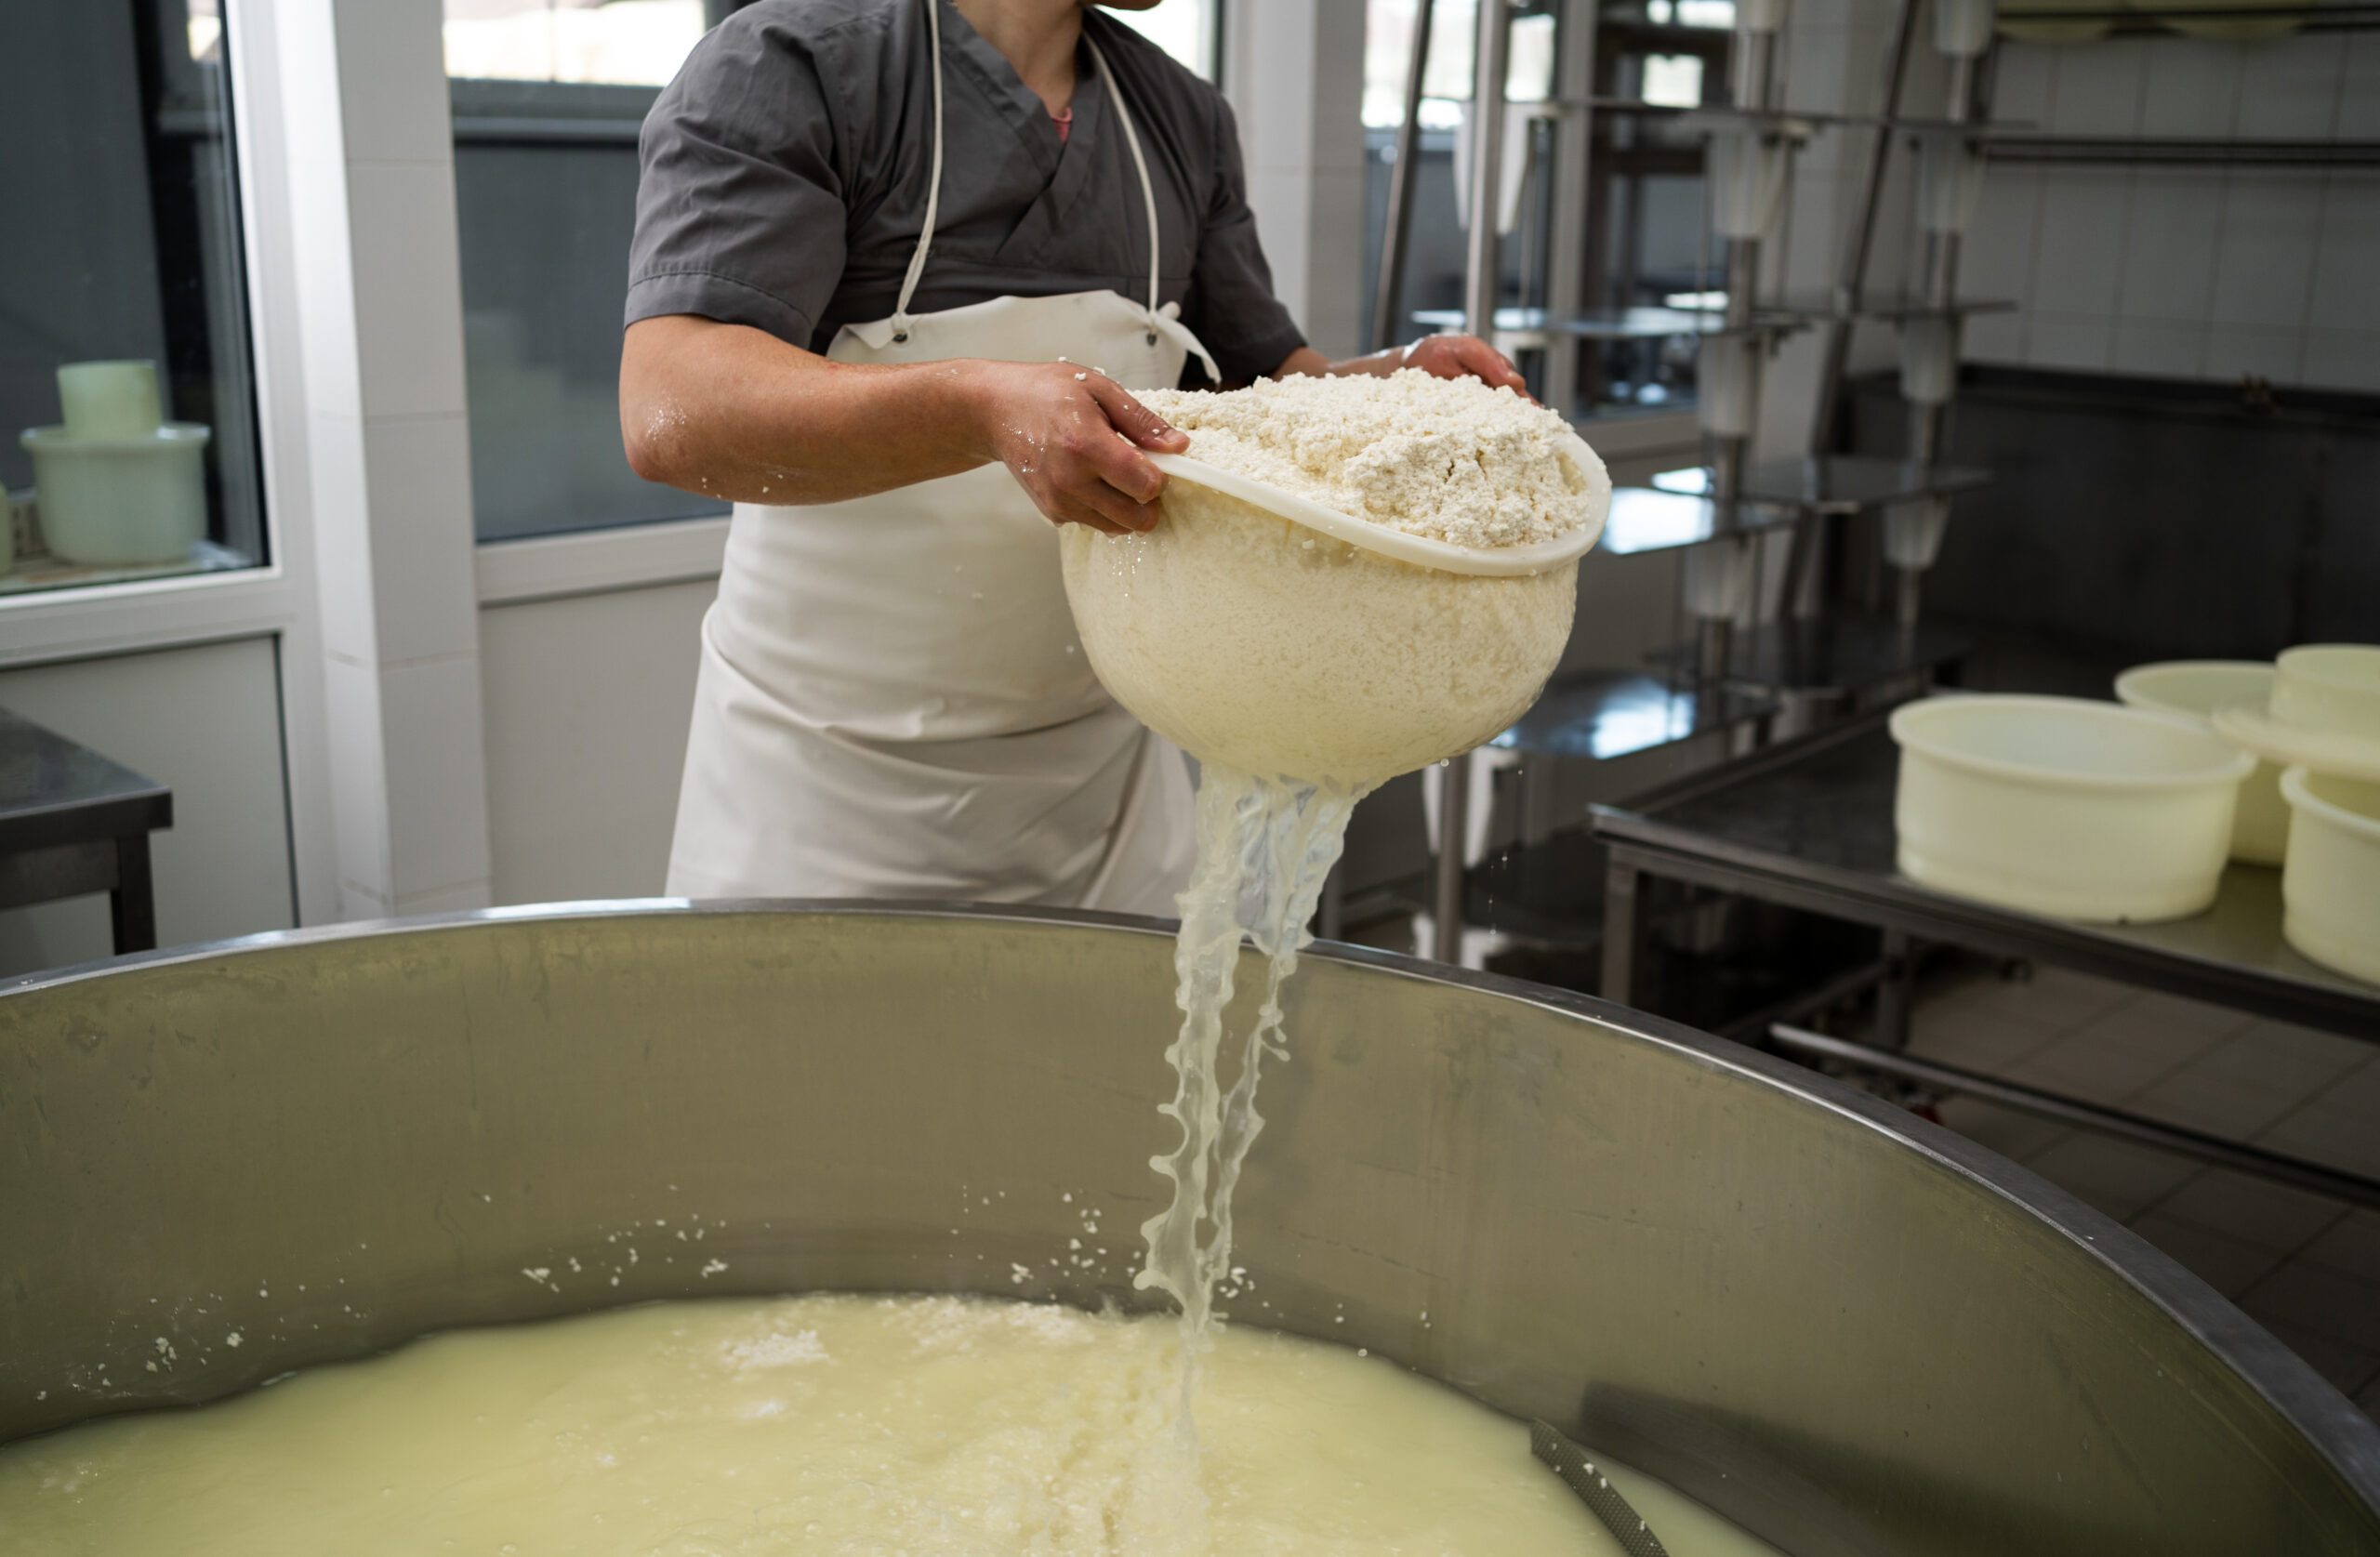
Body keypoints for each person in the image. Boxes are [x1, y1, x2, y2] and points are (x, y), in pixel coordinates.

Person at [622, 0, 1527, 914]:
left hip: (1106, 800)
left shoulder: (1177, 117)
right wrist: (981, 409)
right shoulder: (793, 68)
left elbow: (1257, 395)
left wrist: (1390, 390)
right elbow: (674, 404)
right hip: (823, 794)